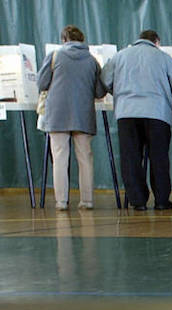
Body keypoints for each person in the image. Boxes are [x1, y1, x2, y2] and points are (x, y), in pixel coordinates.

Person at [101, 30, 172, 212]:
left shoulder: (120, 56)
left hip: (127, 113)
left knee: (130, 158)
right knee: (159, 158)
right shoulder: (164, 57)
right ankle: (162, 201)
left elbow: (104, 80)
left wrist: (119, 93)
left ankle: (138, 201)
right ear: (157, 42)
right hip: (158, 113)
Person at [37, 25, 107, 211]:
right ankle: (87, 200)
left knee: (59, 157)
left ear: (64, 39)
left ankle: (61, 202)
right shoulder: (92, 61)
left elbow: (42, 83)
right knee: (85, 157)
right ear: (82, 40)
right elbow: (100, 91)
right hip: (83, 114)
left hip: (57, 114)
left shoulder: (54, 56)